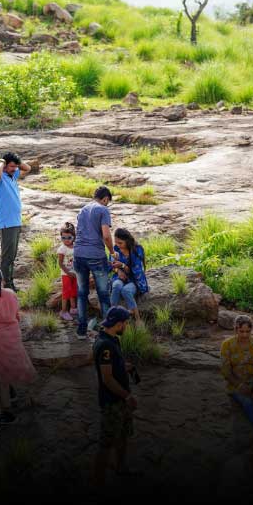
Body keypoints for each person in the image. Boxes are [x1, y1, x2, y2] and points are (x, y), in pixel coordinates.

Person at [0, 267, 37, 425]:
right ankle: (31, 398)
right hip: (14, 334)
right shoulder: (11, 293)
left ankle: (7, 411)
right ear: (2, 280)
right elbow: (16, 316)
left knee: (0, 374)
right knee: (21, 364)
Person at [92, 307, 138, 486]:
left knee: (123, 435)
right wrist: (127, 396)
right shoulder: (104, 345)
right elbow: (107, 379)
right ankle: (97, 482)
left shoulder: (112, 340)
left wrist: (124, 366)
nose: (127, 326)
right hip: (112, 401)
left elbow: (112, 367)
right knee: (106, 443)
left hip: (120, 399)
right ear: (118, 324)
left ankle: (121, 467)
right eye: (125, 323)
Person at [73, 186, 116, 340]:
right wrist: (112, 251)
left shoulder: (82, 209)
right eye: (107, 202)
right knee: (103, 294)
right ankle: (106, 331)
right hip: (96, 256)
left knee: (82, 293)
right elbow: (106, 235)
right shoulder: (103, 210)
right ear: (105, 199)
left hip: (78, 255)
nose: (107, 204)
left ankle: (81, 330)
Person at [0, 152, 31, 291]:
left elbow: (28, 168)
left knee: (12, 256)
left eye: (15, 167)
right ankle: (5, 286)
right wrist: (3, 161)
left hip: (15, 221)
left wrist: (17, 161)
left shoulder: (12, 175)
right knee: (7, 257)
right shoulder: (0, 179)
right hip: (7, 222)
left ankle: (9, 283)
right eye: (12, 166)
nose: (15, 169)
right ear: (5, 166)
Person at [110, 228, 149, 323]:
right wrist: (118, 270)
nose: (118, 245)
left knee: (126, 290)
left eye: (120, 243)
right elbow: (111, 264)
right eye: (116, 242)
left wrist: (122, 266)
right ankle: (111, 314)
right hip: (120, 277)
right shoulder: (115, 249)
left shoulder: (137, 250)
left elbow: (137, 271)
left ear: (127, 241)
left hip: (135, 279)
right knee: (116, 286)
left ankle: (138, 319)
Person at [57, 222, 78, 321]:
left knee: (73, 290)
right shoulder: (62, 249)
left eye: (69, 238)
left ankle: (73, 308)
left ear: (74, 237)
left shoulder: (75, 247)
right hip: (66, 274)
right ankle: (63, 311)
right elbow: (60, 263)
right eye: (63, 238)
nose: (66, 240)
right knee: (66, 292)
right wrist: (68, 272)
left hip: (75, 273)